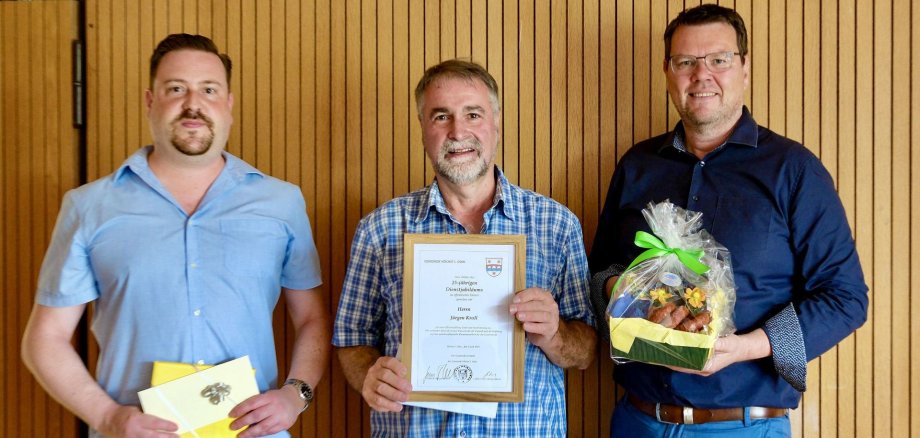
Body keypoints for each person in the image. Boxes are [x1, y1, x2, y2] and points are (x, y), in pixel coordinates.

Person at [21, 34, 330, 438]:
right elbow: (46, 338)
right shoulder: (89, 206)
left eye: (209, 90)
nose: (193, 104)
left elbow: (311, 318)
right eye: (176, 89)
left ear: (229, 104)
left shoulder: (281, 202)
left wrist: (295, 395)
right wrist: (108, 416)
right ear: (150, 101)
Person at [588, 4, 868, 437]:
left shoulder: (793, 170)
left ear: (744, 68)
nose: (702, 75)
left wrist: (743, 348)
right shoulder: (636, 165)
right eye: (686, 62)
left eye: (719, 59)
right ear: (668, 72)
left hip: (744, 425)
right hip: (637, 420)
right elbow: (596, 274)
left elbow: (845, 298)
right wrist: (628, 293)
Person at [333, 59, 596, 436]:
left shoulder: (556, 225)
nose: (458, 132)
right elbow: (352, 340)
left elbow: (586, 352)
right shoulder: (380, 229)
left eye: (473, 114)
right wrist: (369, 376)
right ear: (423, 127)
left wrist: (555, 335)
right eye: (441, 116)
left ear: (496, 123)